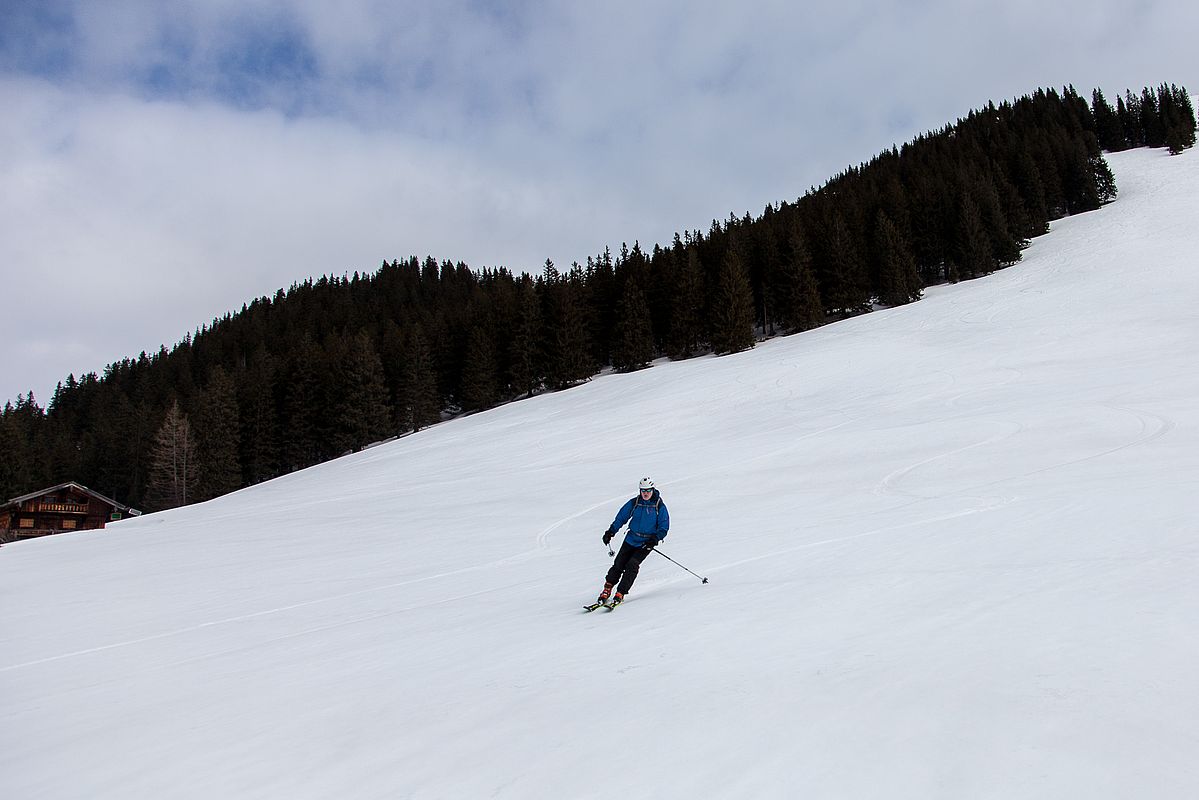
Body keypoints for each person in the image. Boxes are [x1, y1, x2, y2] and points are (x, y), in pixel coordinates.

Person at [597, 477, 670, 605]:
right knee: (619, 563)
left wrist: (654, 539)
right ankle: (607, 588)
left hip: (645, 543)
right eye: (643, 491)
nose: (645, 493)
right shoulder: (635, 502)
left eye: (648, 490)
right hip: (631, 538)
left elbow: (664, 527)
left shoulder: (659, 506)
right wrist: (611, 531)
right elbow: (621, 517)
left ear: (653, 490)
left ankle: (621, 592)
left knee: (632, 565)